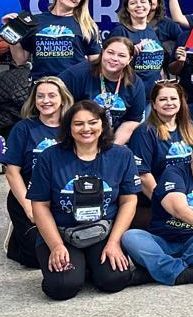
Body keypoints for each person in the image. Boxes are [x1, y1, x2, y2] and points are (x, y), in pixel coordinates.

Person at [26, 101, 140, 300]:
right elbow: (40, 206)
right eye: (78, 124)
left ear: (103, 125)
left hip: (103, 230)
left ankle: (89, 267)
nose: (86, 129)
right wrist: (56, 246)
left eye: (93, 122)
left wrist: (114, 242)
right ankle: (79, 268)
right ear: (68, 128)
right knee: (63, 287)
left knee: (114, 280)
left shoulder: (122, 155)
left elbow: (129, 201)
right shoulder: (49, 157)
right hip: (62, 233)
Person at [121, 137, 193, 286]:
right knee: (131, 237)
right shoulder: (174, 172)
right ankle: (185, 273)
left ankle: (153, 271)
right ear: (192, 155)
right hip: (162, 241)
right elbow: (178, 209)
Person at [3, 77, 73, 266]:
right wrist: (28, 206)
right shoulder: (23, 128)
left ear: (63, 98)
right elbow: (11, 172)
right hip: (30, 195)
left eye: (51, 95)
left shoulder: (73, 127)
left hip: (62, 195)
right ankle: (17, 236)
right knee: (36, 258)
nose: (46, 101)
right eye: (40, 96)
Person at [9, 0, 101, 80]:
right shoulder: (34, 21)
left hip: (74, 86)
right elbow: (20, 60)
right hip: (41, 86)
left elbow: (95, 62)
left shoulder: (87, 25)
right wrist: (12, 31)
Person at [59, 36, 147, 145]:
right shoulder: (78, 74)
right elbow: (55, 99)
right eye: (110, 53)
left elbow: (132, 120)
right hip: (77, 137)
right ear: (102, 53)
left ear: (129, 60)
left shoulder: (135, 83)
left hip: (113, 138)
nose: (114, 58)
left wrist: (111, 148)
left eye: (121, 55)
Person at [130, 80, 193, 201]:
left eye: (173, 98)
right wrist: (162, 203)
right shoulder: (144, 132)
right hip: (157, 200)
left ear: (181, 102)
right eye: (163, 99)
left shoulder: (190, 128)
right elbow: (143, 176)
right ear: (154, 104)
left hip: (187, 196)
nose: (169, 103)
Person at [108, 0, 172, 88]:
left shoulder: (151, 30)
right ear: (127, 8)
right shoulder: (120, 31)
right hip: (131, 91)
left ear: (150, 5)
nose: (139, 5)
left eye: (143, 2)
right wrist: (129, 51)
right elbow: (108, 62)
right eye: (133, 3)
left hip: (154, 94)